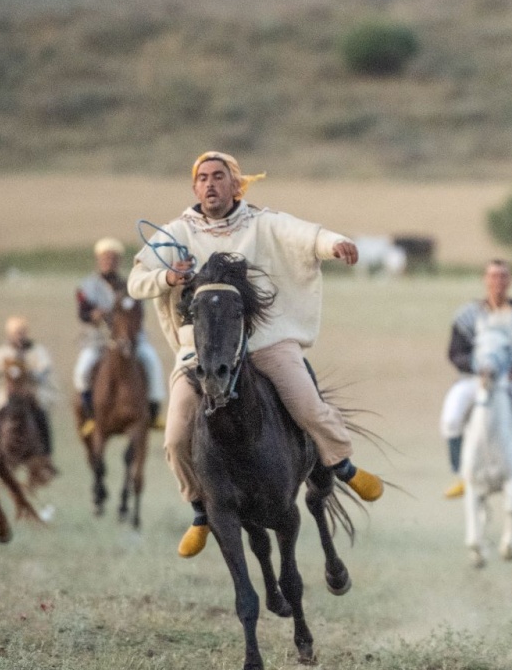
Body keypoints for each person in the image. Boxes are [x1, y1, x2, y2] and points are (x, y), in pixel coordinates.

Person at [128, 151, 384, 559]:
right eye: (203, 178)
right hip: (202, 349)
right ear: (195, 187)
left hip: (266, 338)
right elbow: (136, 281)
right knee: (176, 437)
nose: (210, 184)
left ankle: (342, 465)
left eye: (218, 177)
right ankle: (199, 509)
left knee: (307, 404)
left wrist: (335, 244)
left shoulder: (262, 223)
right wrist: (168, 276)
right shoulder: (177, 232)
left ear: (236, 185)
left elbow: (304, 235)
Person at [440, 259, 512, 497]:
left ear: (510, 281)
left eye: (502, 276)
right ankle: (461, 474)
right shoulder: (466, 317)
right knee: (452, 415)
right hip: (475, 379)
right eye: (493, 276)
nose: (498, 281)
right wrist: (476, 367)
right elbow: (455, 353)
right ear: (485, 280)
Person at [74, 237, 167, 438]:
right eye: (105, 258)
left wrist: (130, 329)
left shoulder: (129, 286)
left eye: (113, 258)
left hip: (130, 339)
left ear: (118, 261)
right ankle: (90, 414)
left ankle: (153, 412)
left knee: (151, 361)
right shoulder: (87, 287)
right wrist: (93, 315)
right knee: (83, 368)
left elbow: (139, 312)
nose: (109, 262)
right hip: (98, 339)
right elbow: (82, 312)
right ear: (99, 260)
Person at [0, 315, 57, 454]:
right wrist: (5, 372)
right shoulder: (1, 353)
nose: (20, 336)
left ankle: (45, 454)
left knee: (41, 417)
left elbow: (44, 370)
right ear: (10, 334)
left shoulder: (37, 351)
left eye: (23, 332)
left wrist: (30, 372)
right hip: (7, 397)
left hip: (30, 395)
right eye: (17, 333)